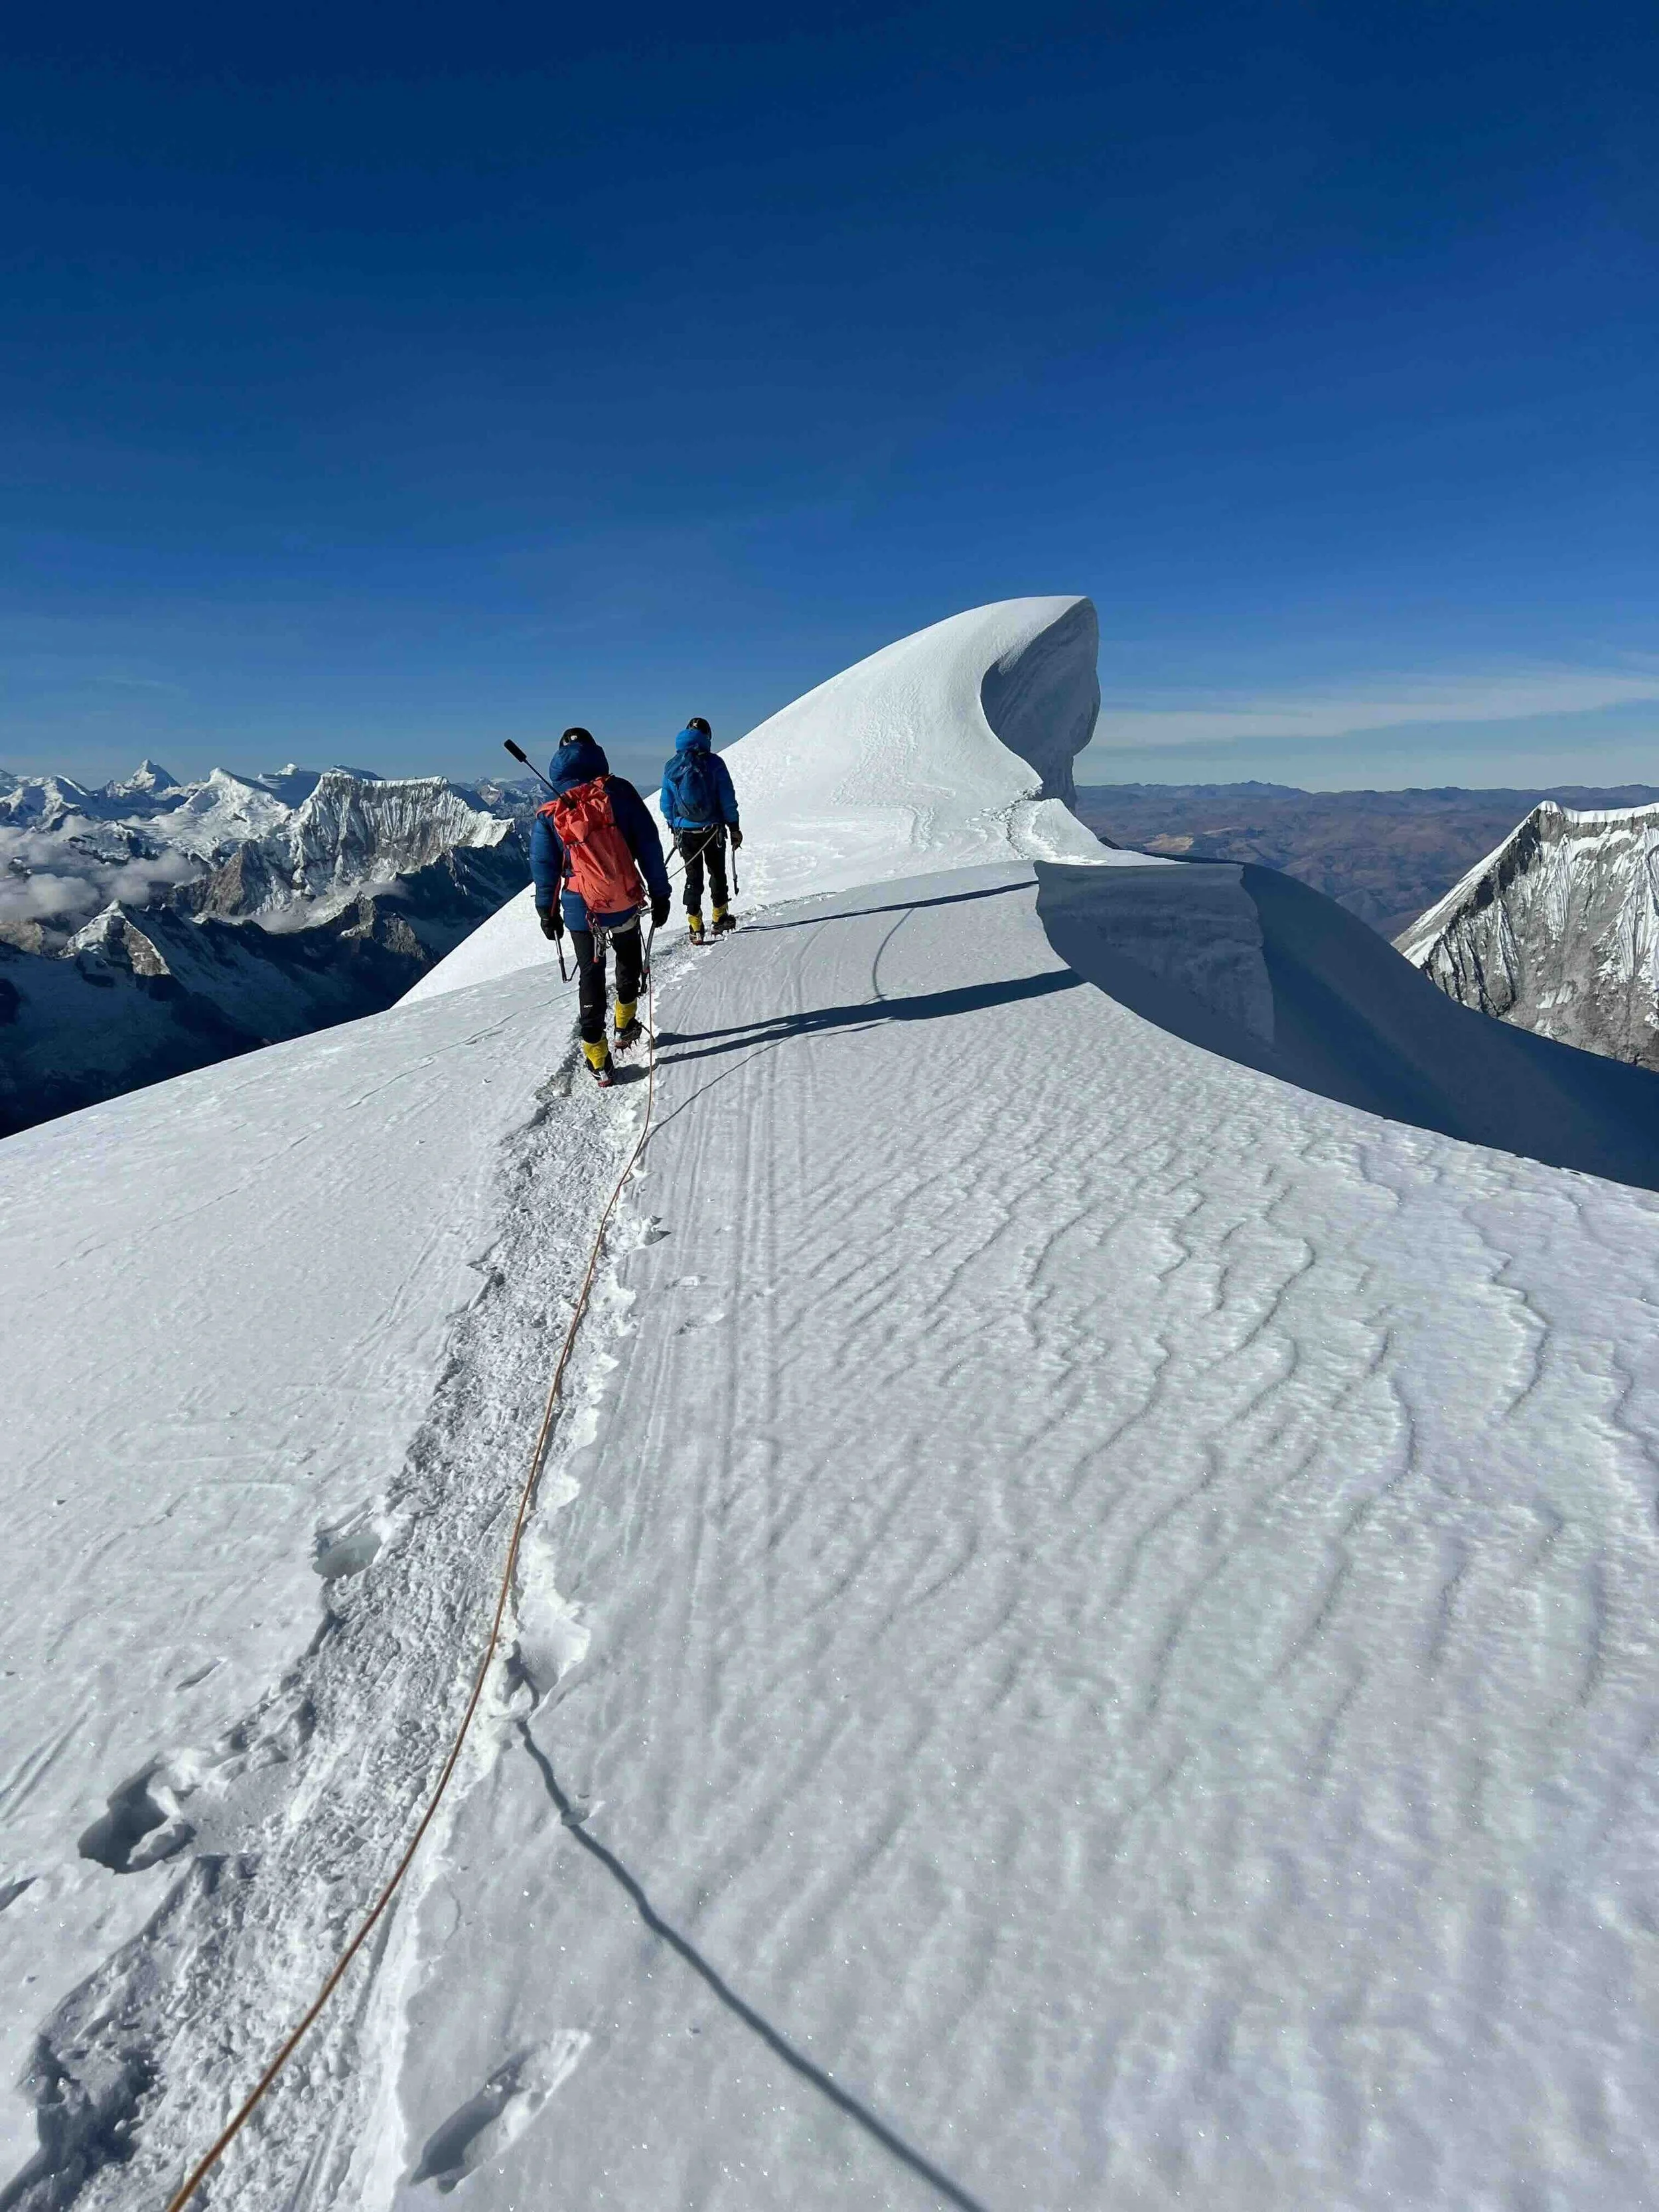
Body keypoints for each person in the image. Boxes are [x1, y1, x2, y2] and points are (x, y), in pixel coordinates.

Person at [531, 728, 671, 1086]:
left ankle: (597, 1057)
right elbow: (649, 844)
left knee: (591, 976)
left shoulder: (552, 809)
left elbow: (545, 869)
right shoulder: (619, 792)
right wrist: (660, 892)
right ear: (597, 753)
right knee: (628, 959)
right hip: (622, 899)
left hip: (581, 909)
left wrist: (547, 914)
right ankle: (625, 1025)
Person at [659, 715, 743, 942]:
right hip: (713, 830)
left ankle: (695, 926)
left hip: (685, 832)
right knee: (717, 873)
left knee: (692, 878)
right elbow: (727, 798)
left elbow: (666, 803)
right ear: (707, 737)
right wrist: (734, 827)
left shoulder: (672, 765)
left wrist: (674, 825)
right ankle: (720, 917)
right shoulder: (715, 763)